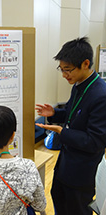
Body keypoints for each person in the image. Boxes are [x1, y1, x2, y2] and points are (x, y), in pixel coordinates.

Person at [35, 37, 106, 215]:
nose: (64, 75)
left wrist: (62, 132)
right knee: (57, 196)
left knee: (76, 209)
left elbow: (95, 142)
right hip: (65, 164)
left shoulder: (101, 95)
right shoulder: (78, 84)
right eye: (62, 69)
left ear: (85, 63)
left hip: (83, 171)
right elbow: (72, 111)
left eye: (68, 70)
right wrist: (54, 114)